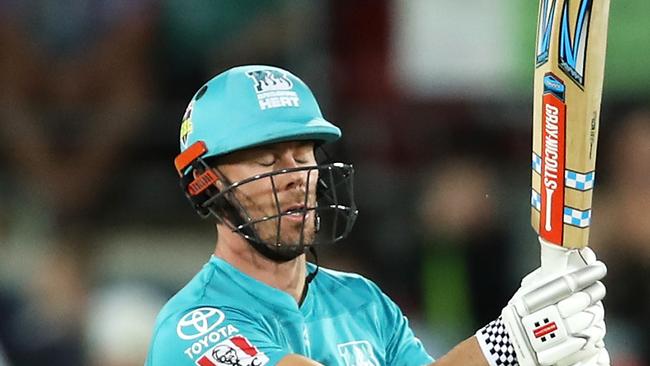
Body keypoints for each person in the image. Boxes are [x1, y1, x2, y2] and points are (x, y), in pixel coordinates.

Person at [145, 65, 609, 366]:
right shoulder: (193, 327)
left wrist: (550, 355)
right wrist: (510, 345)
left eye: (304, 154)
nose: (295, 175)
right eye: (266, 160)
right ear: (206, 182)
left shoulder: (363, 303)